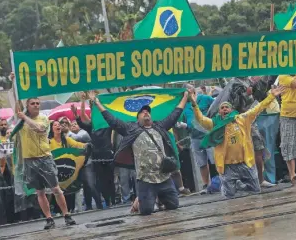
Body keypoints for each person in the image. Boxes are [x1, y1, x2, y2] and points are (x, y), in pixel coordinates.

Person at [88, 90, 189, 215]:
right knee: (146, 211)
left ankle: (158, 198)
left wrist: (185, 96)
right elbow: (112, 120)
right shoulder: (131, 129)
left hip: (163, 177)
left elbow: (175, 113)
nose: (146, 112)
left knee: (174, 205)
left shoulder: (160, 126)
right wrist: (97, 102)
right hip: (145, 180)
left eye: (147, 111)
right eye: (142, 112)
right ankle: (138, 202)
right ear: (137, 118)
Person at [189, 86, 285, 198]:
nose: (225, 109)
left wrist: (272, 96)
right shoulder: (215, 124)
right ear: (219, 112)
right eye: (222, 108)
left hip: (245, 163)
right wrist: (194, 105)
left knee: (255, 190)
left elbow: (258, 108)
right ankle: (236, 190)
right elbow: (201, 119)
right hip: (227, 166)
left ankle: (242, 188)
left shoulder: (242, 119)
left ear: (232, 110)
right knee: (229, 196)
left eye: (227, 107)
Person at [12, 95, 76, 229]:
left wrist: (24, 118)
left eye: (37, 103)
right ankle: (49, 218)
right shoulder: (21, 120)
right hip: (29, 160)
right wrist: (13, 83)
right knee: (39, 192)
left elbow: (39, 129)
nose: (36, 105)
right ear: (27, 106)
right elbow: (16, 103)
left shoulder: (44, 119)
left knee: (55, 189)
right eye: (33, 103)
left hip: (44, 158)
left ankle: (66, 215)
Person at [71, 94, 116, 208]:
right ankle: (107, 200)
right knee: (101, 182)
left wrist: (96, 102)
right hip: (97, 157)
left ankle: (113, 200)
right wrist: (81, 102)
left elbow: (109, 116)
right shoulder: (91, 127)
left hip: (108, 155)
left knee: (110, 179)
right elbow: (81, 120)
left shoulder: (107, 126)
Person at [183, 84, 215, 194]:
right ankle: (206, 184)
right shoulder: (185, 106)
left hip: (209, 135)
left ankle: (217, 182)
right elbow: (184, 120)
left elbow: (217, 106)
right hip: (195, 137)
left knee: (214, 160)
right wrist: (183, 125)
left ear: (193, 91)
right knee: (201, 162)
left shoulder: (205, 98)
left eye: (189, 90)